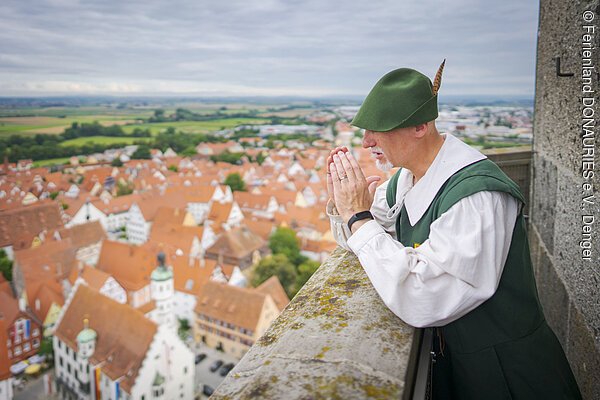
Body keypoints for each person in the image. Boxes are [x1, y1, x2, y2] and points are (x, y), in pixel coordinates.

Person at [326, 61, 582, 399]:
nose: (366, 142)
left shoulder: (476, 196)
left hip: (506, 374)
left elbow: (423, 296)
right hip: (458, 365)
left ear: (420, 126)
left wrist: (358, 215)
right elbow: (361, 240)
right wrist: (346, 209)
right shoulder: (404, 180)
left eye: (378, 129)